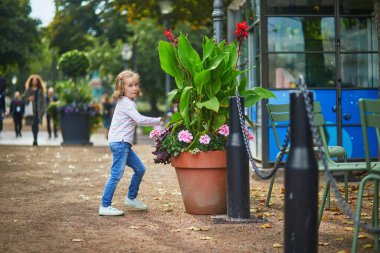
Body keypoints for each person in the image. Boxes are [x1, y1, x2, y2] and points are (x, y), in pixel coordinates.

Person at [99, 70, 162, 216]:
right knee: (116, 174)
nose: (134, 88)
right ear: (122, 88)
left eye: (136, 84)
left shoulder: (127, 102)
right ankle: (105, 205)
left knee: (140, 169)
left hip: (123, 144)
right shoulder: (127, 103)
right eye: (130, 85)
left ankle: (131, 198)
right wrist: (157, 120)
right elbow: (139, 120)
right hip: (120, 143)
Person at [23, 75, 46, 146]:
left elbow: (43, 102)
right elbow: (23, 100)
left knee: (36, 125)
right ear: (31, 81)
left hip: (38, 111)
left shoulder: (40, 91)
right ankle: (34, 138)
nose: (34, 81)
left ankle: (35, 139)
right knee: (33, 125)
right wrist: (28, 99)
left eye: (36, 80)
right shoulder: (28, 90)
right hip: (31, 111)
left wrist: (42, 111)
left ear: (38, 82)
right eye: (33, 80)